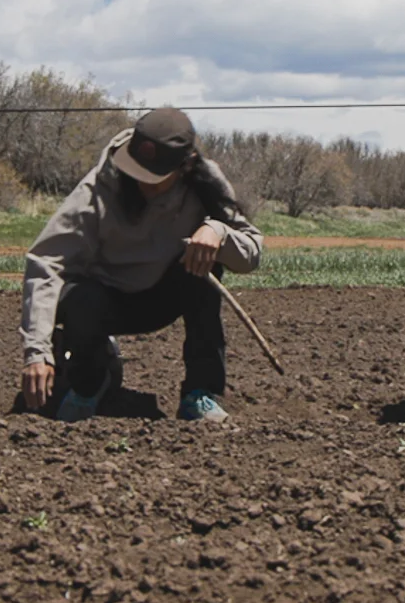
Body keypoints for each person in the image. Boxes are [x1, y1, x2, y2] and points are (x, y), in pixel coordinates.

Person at [20, 107, 264, 423]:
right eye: (136, 170)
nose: (140, 182)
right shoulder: (98, 188)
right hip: (104, 301)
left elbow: (251, 253)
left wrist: (218, 231)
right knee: (79, 296)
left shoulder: (206, 181)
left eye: (154, 178)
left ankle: (198, 394)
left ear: (185, 166)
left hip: (164, 295)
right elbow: (46, 261)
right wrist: (37, 352)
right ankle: (89, 383)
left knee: (207, 269)